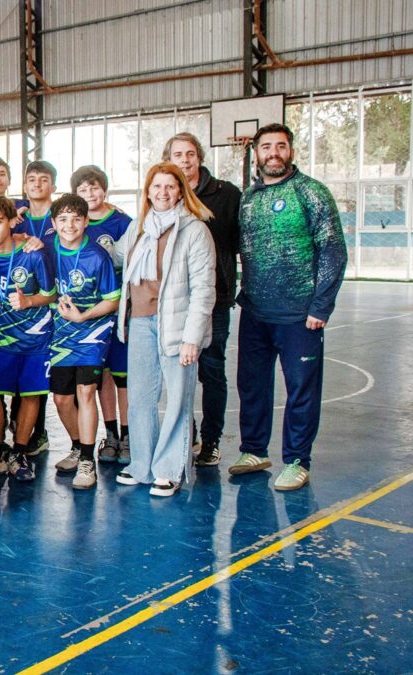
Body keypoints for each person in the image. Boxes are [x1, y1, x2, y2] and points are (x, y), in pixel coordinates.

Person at [231, 123, 346, 491]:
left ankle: (297, 459)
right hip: (255, 311)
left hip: (300, 316)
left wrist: (321, 306)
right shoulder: (248, 198)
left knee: (301, 388)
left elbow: (333, 250)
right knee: (251, 385)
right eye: (267, 147)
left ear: (291, 151)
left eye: (281, 146)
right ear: (258, 153)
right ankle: (253, 450)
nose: (273, 153)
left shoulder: (311, 193)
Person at [113, 163, 216, 497]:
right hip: (140, 322)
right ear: (147, 192)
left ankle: (169, 470)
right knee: (141, 399)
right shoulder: (138, 228)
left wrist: (192, 338)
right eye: (156, 187)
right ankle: (141, 466)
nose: (163, 193)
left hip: (177, 325)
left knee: (177, 401)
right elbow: (113, 254)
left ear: (181, 191)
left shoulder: (194, 230)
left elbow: (204, 289)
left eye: (170, 187)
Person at [163, 133, 242, 467]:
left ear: (200, 158)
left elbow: (242, 244)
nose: (185, 159)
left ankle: (210, 441)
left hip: (214, 300)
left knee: (211, 371)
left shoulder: (226, 195)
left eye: (191, 153)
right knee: (178, 374)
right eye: (178, 154)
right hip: (170, 303)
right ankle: (185, 437)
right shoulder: (164, 193)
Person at [0, 196, 57, 481]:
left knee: (31, 393)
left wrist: (29, 301)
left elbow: (52, 294)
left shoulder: (34, 253)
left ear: (11, 221)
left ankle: (20, 451)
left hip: (35, 336)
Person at [47, 195, 121, 490]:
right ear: (54, 224)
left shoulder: (97, 255)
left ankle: (88, 461)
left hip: (92, 333)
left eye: (76, 219)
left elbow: (112, 300)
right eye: (63, 219)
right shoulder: (47, 249)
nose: (70, 225)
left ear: (86, 221)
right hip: (60, 336)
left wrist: (84, 316)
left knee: (86, 391)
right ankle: (78, 446)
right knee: (62, 399)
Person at [71, 165, 133, 464]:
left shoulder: (123, 221)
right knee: (102, 375)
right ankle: (110, 435)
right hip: (88, 314)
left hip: (118, 309)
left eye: (94, 188)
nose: (89, 194)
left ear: (104, 189)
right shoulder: (76, 224)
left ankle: (128, 435)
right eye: (82, 190)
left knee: (124, 376)